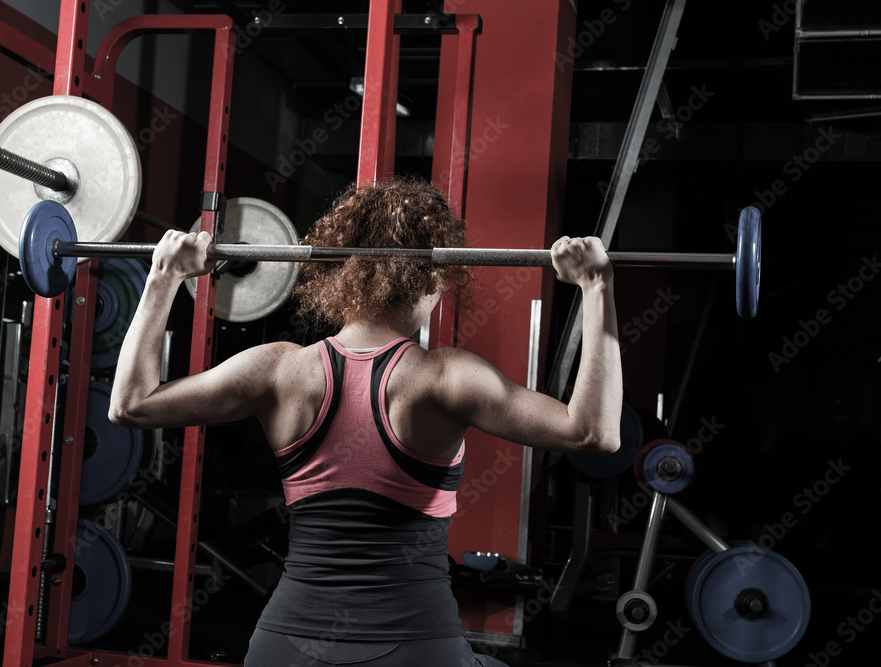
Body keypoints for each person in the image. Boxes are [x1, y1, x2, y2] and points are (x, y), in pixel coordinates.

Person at [110, 177, 622, 666]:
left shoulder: (277, 369)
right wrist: (595, 286)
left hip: (283, 647)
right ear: (434, 275)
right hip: (416, 648)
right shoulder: (446, 378)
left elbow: (130, 405)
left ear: (342, 269)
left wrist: (164, 278)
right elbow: (593, 432)